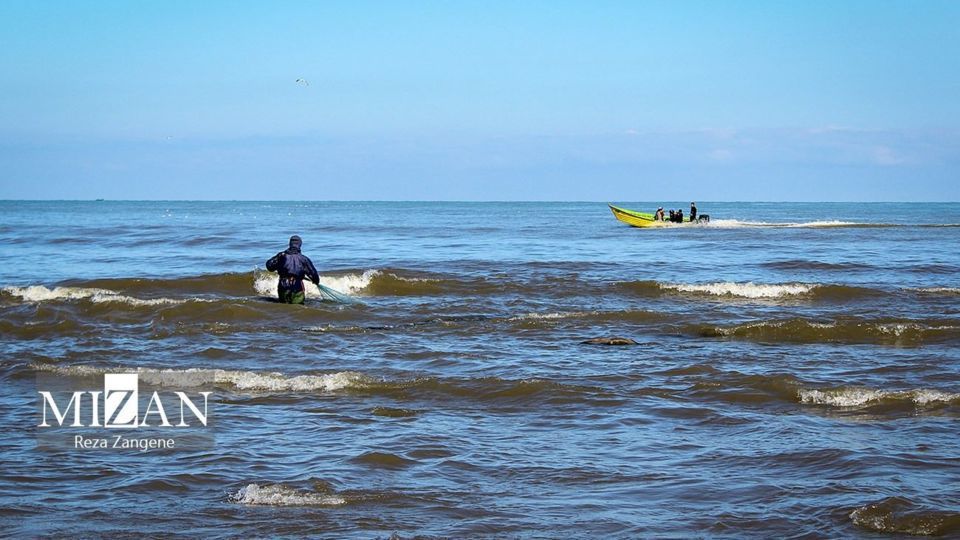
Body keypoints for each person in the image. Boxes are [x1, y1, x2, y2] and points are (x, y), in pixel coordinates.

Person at [265, 235, 320, 304]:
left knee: (283, 306)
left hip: (283, 285)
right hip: (297, 287)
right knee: (298, 307)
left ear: (290, 244)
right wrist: (316, 281)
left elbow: (269, 266)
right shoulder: (304, 259)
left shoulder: (281, 256)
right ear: (300, 245)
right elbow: (314, 274)